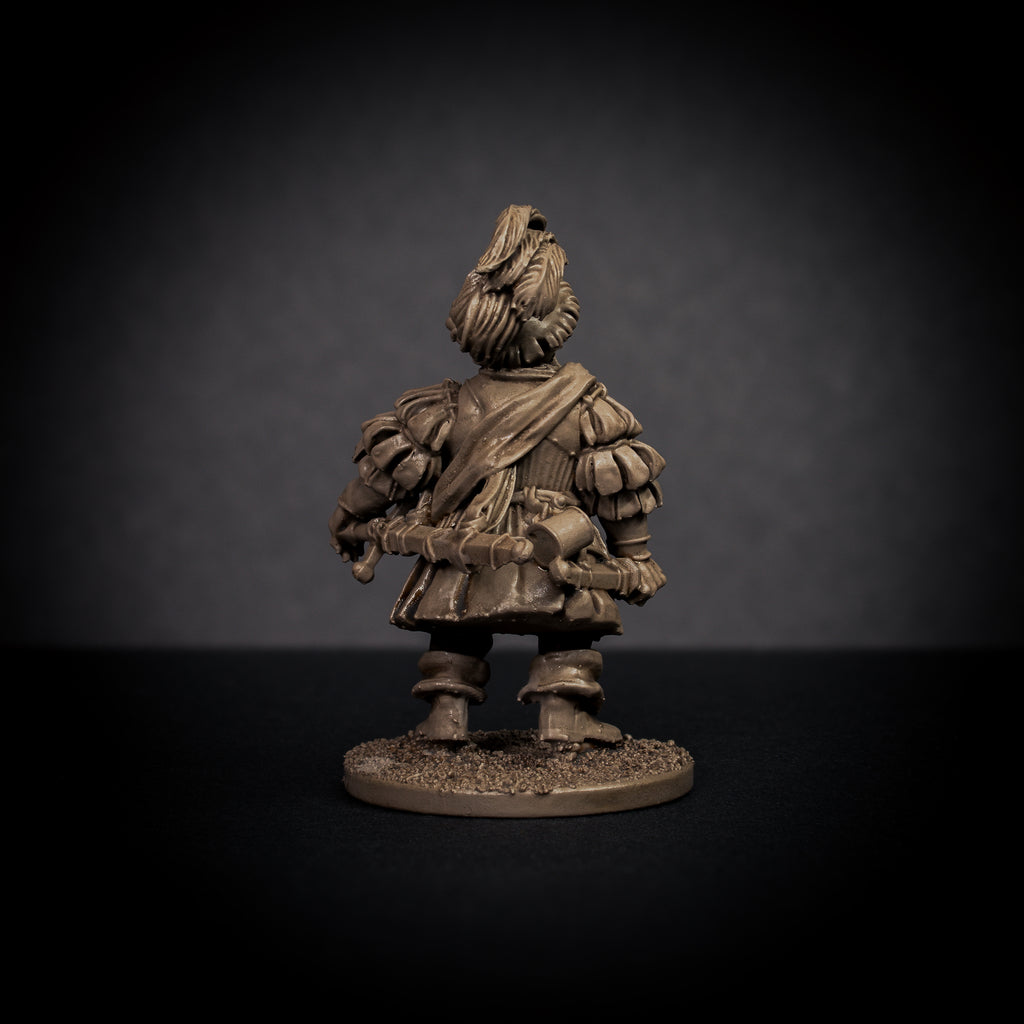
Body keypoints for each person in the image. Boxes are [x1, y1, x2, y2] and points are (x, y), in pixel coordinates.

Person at [329, 205, 666, 744]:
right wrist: (636, 558)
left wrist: (348, 516)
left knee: (454, 632)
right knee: (566, 637)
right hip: (553, 552)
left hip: (472, 550)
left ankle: (446, 715)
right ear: (558, 322)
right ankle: (562, 716)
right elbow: (617, 491)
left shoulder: (443, 408)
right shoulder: (589, 410)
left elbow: (389, 477)